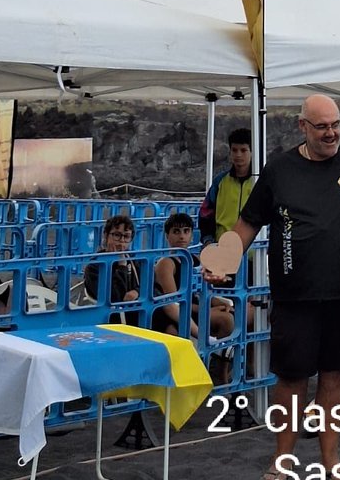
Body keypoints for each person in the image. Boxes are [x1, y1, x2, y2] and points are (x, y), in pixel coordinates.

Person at [218, 94, 340, 480]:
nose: (331, 133)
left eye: (336, 124)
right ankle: (283, 459)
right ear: (302, 126)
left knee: (335, 376)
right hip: (294, 293)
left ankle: (331, 460)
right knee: (291, 378)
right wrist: (223, 262)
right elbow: (247, 224)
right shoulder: (278, 170)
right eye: (322, 126)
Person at [152, 212, 234, 342]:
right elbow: (174, 303)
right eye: (176, 232)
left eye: (186, 231)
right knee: (226, 320)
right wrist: (207, 307)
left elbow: (205, 289)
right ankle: (215, 356)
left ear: (191, 235)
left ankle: (221, 359)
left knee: (235, 312)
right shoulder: (166, 263)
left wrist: (219, 302)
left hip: (196, 306)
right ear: (167, 236)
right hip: (180, 314)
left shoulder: (195, 259)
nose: (182, 236)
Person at [199, 127, 255, 243]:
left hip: (255, 253)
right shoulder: (220, 182)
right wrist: (208, 240)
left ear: (252, 151)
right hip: (223, 249)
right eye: (234, 150)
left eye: (243, 150)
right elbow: (206, 213)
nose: (238, 155)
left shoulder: (261, 181)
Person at [83, 214, 140, 323]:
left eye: (126, 236)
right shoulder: (94, 266)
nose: (121, 241)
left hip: (139, 312)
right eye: (117, 235)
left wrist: (137, 291)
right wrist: (121, 266)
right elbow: (114, 297)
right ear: (106, 235)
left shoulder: (134, 260)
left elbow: (152, 285)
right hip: (115, 319)